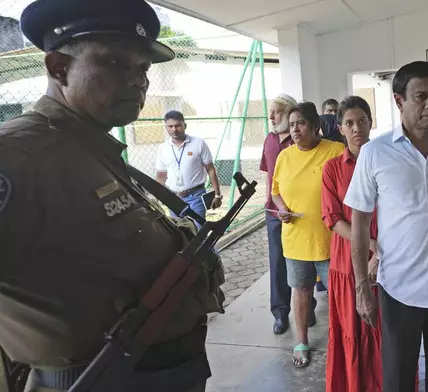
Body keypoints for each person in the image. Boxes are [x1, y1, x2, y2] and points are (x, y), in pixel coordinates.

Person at [0, 0, 223, 391]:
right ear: (58, 68)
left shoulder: (89, 148)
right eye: (116, 63)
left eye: (142, 69)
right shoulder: (19, 157)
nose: (139, 81)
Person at [344, 61, 428, 392]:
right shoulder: (375, 154)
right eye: (421, 96)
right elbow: (359, 221)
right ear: (399, 101)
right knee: (398, 380)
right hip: (399, 288)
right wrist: (362, 287)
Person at [271, 102, 345, 368]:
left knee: (339, 295)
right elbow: (275, 190)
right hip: (296, 238)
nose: (295, 129)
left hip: (331, 240)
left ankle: (342, 341)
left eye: (300, 123)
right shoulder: (284, 157)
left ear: (316, 127)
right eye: (291, 125)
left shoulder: (335, 152)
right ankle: (301, 340)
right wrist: (281, 209)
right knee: (301, 290)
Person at [322, 96, 382, 392]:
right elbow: (332, 219)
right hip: (347, 264)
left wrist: (381, 254)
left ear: (371, 123)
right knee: (350, 331)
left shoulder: (386, 162)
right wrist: (373, 246)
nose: (356, 128)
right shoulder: (332, 169)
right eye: (349, 123)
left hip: (387, 261)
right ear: (340, 129)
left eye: (362, 121)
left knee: (384, 334)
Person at [259, 93, 301, 335]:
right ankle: (280, 313)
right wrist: (269, 203)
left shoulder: (300, 139)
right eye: (271, 112)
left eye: (276, 111)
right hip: (275, 212)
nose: (271, 116)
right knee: (277, 262)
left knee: (302, 262)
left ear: (288, 112)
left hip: (299, 213)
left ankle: (307, 305)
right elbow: (269, 175)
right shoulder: (270, 140)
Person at [155, 110, 222, 220]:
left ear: (184, 125)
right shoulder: (163, 148)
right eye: (170, 126)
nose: (174, 129)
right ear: (166, 127)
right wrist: (158, 198)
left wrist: (217, 195)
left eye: (178, 126)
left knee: (198, 232)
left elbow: (210, 170)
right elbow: (161, 176)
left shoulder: (198, 143)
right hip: (174, 199)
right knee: (181, 232)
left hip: (196, 197)